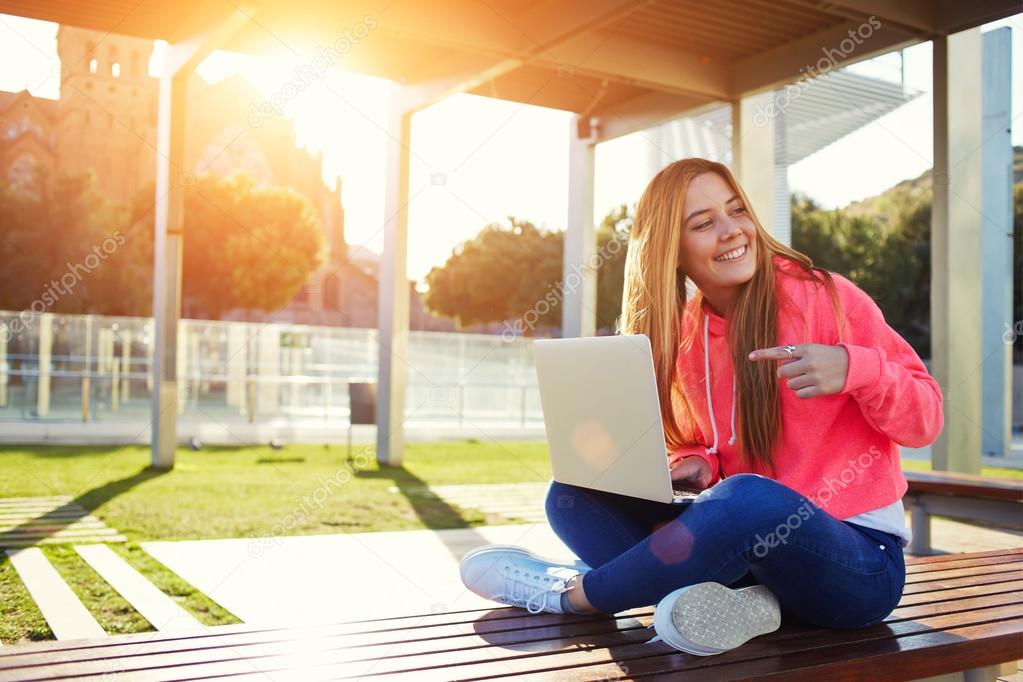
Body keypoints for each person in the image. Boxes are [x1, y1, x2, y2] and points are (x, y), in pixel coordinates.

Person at [459, 157, 943, 655]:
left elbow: (926, 419)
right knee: (574, 493)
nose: (733, 231)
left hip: (859, 567)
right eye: (705, 223)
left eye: (736, 211)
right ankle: (753, 606)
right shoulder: (685, 335)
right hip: (750, 561)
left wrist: (857, 369)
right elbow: (706, 448)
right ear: (672, 250)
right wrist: (695, 465)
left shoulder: (828, 298)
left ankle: (576, 594)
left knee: (750, 500)